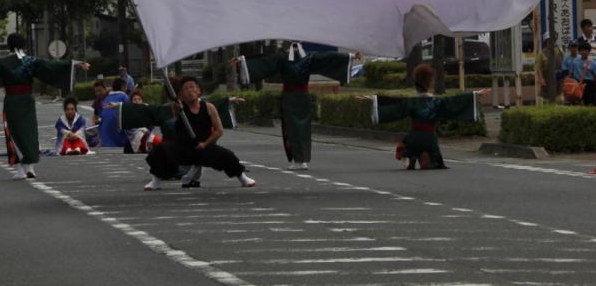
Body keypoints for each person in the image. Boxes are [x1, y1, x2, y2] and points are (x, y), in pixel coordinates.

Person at [0, 33, 90, 180]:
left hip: (12, 101)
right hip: (28, 101)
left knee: (14, 134)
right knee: (29, 133)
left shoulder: (4, 63)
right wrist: (74, 64)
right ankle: (31, 168)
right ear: (24, 45)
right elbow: (51, 66)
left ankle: (21, 170)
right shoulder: (31, 61)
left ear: (9, 45)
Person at [234, 42, 356, 170]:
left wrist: (241, 61)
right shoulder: (309, 57)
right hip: (304, 96)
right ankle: (303, 160)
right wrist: (350, 56)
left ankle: (296, 160)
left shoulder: (282, 58)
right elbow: (329, 57)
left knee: (291, 128)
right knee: (304, 129)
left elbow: (264, 62)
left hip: (290, 97)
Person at [141, 76, 255, 191]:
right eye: (185, 89)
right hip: (184, 147)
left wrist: (205, 144)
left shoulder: (209, 107)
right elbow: (176, 114)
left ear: (199, 91)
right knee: (160, 150)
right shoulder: (178, 107)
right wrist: (179, 109)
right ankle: (155, 181)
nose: (189, 90)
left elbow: (219, 131)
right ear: (181, 94)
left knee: (227, 155)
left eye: (192, 87)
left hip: (204, 146)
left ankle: (243, 178)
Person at [361, 63, 482, 170]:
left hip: (414, 137)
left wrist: (371, 100)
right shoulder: (438, 102)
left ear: (416, 84)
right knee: (436, 159)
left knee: (405, 145)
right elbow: (455, 102)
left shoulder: (411, 102)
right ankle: (430, 159)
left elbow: (393, 105)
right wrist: (474, 95)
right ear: (430, 82)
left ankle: (410, 157)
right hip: (431, 139)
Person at [565, 41, 596, 106]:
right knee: (577, 103)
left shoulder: (593, 63)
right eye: (582, 50)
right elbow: (570, 74)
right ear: (579, 51)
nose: (583, 52)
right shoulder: (575, 62)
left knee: (590, 104)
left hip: (589, 85)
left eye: (586, 50)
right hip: (577, 84)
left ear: (589, 51)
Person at [97, 78, 130, 147]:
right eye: (126, 86)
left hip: (104, 136)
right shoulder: (124, 96)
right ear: (122, 87)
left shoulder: (106, 98)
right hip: (118, 136)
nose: (127, 89)